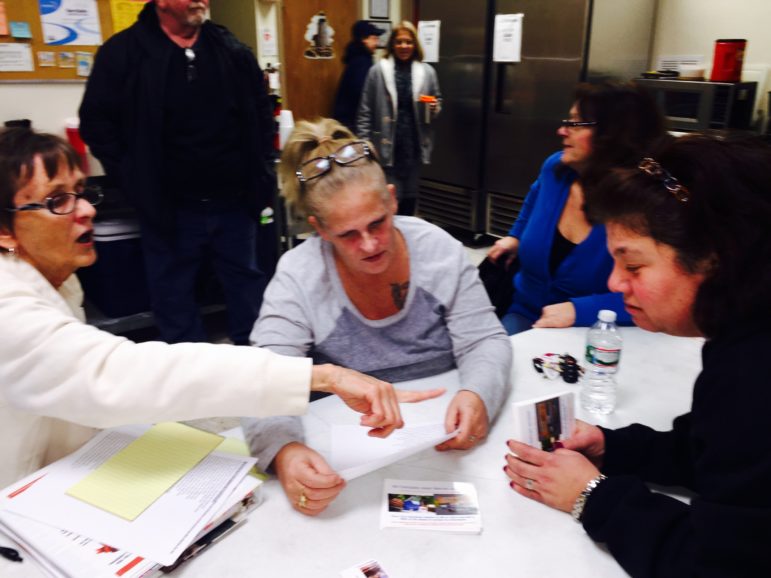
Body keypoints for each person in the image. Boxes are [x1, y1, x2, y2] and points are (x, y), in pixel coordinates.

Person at [0, 128, 443, 489]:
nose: (84, 210)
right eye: (57, 200)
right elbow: (112, 374)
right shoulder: (7, 307)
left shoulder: (55, 281)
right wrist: (321, 376)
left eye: (80, 192)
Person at [503, 134, 771, 576]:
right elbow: (719, 455)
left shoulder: (753, 374)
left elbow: (715, 563)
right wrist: (615, 447)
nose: (613, 284)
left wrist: (592, 494)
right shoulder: (741, 334)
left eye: (633, 266)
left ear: (709, 257)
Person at [244, 118, 511, 515]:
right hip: (353, 442)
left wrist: (478, 394)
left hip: (447, 423)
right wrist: (284, 450)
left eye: (377, 223)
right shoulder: (299, 275)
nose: (369, 245)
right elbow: (266, 376)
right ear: (319, 229)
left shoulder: (437, 249)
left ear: (391, 200)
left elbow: (485, 339)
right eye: (348, 235)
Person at [79, 0, 274, 345]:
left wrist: (256, 174)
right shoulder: (123, 54)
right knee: (173, 295)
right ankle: (191, 378)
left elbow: (260, 112)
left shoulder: (231, 50)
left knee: (247, 287)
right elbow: (96, 124)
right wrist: (132, 177)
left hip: (234, 202)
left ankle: (260, 362)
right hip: (168, 207)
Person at [486, 81, 670, 335]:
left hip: (600, 332)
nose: (562, 130)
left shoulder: (644, 205)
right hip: (526, 312)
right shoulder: (556, 170)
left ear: (613, 134)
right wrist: (515, 237)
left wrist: (580, 310)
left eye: (575, 123)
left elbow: (661, 298)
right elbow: (534, 197)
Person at [356, 21, 441, 216]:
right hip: (386, 147)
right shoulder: (377, 71)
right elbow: (365, 111)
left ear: (415, 44)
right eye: (399, 41)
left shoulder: (427, 72)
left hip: (413, 145)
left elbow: (437, 99)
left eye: (408, 42)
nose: (404, 46)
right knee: (389, 202)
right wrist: (365, 144)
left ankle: (406, 242)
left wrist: (435, 107)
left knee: (410, 200)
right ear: (392, 44)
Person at [332, 20, 385, 132]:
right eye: (374, 38)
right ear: (363, 39)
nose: (377, 43)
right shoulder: (362, 62)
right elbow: (363, 95)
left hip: (346, 120)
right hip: (352, 123)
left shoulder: (356, 57)